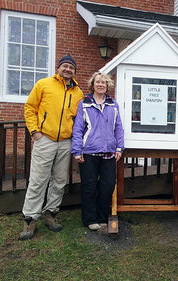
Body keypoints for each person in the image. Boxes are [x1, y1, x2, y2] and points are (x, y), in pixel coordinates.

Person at [20, 55, 84, 240]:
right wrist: (34, 132)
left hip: (65, 142)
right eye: (64, 66)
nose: (67, 70)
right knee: (38, 180)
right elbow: (30, 108)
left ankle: (51, 213)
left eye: (71, 67)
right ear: (58, 68)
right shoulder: (44, 84)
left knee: (59, 180)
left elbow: (79, 120)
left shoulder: (78, 93)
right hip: (45, 139)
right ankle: (30, 218)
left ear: (74, 71)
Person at [71, 72, 124, 232]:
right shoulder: (84, 103)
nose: (101, 85)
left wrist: (119, 148)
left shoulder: (113, 104)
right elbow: (78, 128)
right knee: (89, 186)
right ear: (92, 85)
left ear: (107, 86)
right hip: (89, 152)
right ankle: (90, 218)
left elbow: (119, 127)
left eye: (104, 82)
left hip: (109, 152)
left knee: (107, 185)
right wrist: (77, 150)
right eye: (98, 82)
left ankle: (102, 217)